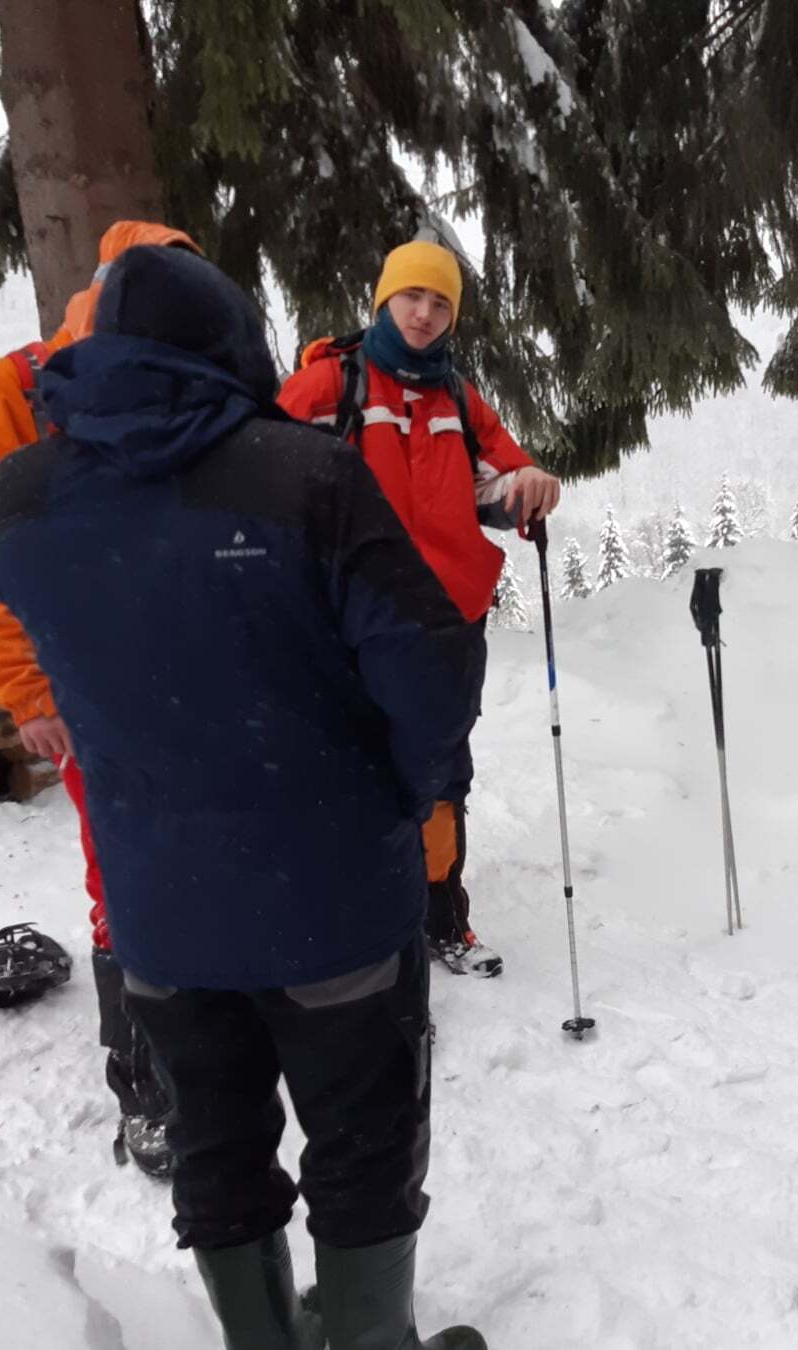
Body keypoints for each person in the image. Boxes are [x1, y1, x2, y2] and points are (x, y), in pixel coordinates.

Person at [0, 245, 486, 1350]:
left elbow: (51, 622)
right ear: (235, 350)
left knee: (216, 1143)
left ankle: (262, 1339)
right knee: (363, 1141)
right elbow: (432, 665)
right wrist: (413, 791)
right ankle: (365, 1339)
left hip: (161, 914)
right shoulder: (306, 479)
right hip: (336, 901)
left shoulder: (17, 502)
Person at [0, 219, 200, 1174]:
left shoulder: (173, 369)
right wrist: (26, 695)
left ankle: (208, 1048)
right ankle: (148, 1094)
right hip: (78, 683)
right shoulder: (14, 395)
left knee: (189, 854)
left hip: (175, 671)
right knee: (123, 877)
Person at [279, 238, 562, 979]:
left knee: (440, 771)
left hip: (445, 623)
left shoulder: (461, 399)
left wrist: (527, 486)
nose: (426, 312)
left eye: (441, 302)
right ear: (383, 300)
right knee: (352, 773)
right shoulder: (323, 389)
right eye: (413, 296)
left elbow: (498, 480)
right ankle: (367, 931)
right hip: (349, 624)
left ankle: (442, 918)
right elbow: (262, 485)